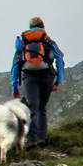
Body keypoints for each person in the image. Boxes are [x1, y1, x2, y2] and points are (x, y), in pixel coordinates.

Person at [11, 16, 64, 149]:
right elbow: (59, 58)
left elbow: (16, 63)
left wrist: (15, 86)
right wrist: (59, 79)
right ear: (43, 26)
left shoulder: (23, 42)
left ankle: (32, 139)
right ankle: (42, 137)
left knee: (32, 106)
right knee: (42, 107)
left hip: (29, 76)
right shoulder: (48, 40)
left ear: (30, 27)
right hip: (47, 75)